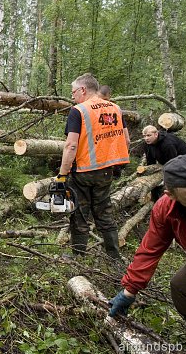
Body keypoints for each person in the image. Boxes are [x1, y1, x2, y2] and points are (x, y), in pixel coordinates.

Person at [109, 154, 186, 344]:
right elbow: (151, 248)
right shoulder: (165, 209)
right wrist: (129, 291)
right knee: (183, 286)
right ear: (172, 194)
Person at [58, 73, 130, 260]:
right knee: (104, 214)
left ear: (83, 90)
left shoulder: (79, 110)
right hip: (106, 171)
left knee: (80, 214)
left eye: (73, 91)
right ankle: (114, 257)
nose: (72, 95)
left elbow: (71, 145)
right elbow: (126, 140)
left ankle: (78, 257)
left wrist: (62, 174)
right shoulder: (115, 108)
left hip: (83, 172)